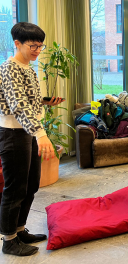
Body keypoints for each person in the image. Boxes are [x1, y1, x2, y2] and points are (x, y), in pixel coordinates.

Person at [0, 22, 65, 256]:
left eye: (40, 46)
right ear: (17, 43)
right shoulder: (9, 68)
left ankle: (19, 229)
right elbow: (18, 106)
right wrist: (41, 134)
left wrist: (45, 102)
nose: (38, 50)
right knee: (15, 188)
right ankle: (8, 240)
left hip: (27, 131)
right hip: (14, 133)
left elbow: (27, 100)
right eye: (33, 46)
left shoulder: (27, 67)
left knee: (31, 185)